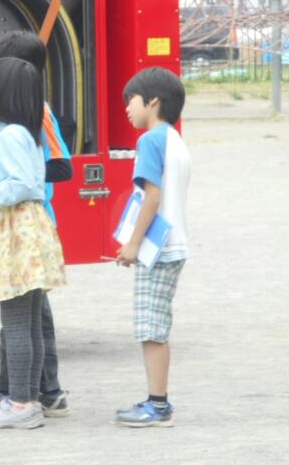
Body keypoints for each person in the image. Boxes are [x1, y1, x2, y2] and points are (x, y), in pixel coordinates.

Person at [0, 30, 72, 421]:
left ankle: (20, 401)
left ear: (6, 92)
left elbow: (25, 182)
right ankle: (31, 397)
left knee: (18, 323)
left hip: (16, 235)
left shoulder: (12, 135)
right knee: (29, 322)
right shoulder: (22, 131)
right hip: (29, 230)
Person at [114, 67, 191, 428]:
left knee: (151, 328)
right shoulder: (175, 140)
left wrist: (132, 243)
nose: (127, 107)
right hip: (175, 244)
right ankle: (155, 400)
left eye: (131, 99)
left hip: (157, 248)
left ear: (153, 101)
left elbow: (152, 197)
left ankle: (158, 405)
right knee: (156, 325)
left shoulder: (149, 141)